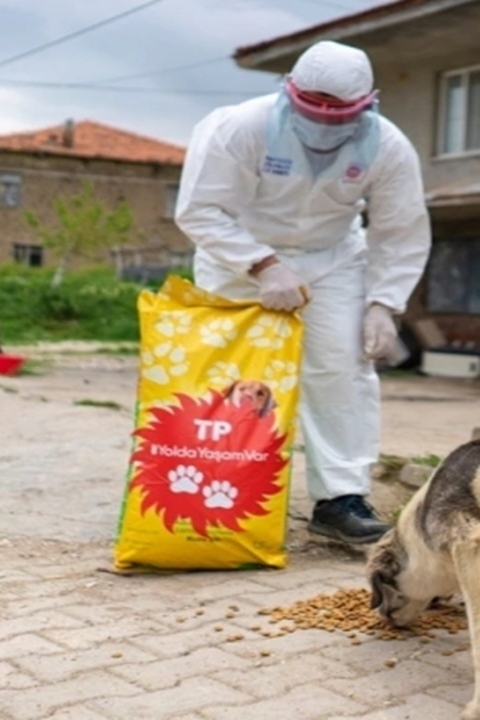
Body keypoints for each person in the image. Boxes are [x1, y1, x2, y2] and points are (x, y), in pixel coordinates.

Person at [174, 40, 431, 546]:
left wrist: (384, 304)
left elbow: (400, 231)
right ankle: (216, 483)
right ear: (289, 90)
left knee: (341, 368)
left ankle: (339, 500)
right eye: (316, 106)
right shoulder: (240, 126)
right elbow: (200, 210)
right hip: (239, 255)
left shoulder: (389, 146)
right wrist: (263, 265)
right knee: (229, 373)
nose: (327, 121)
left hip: (332, 258)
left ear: (369, 102)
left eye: (341, 113)